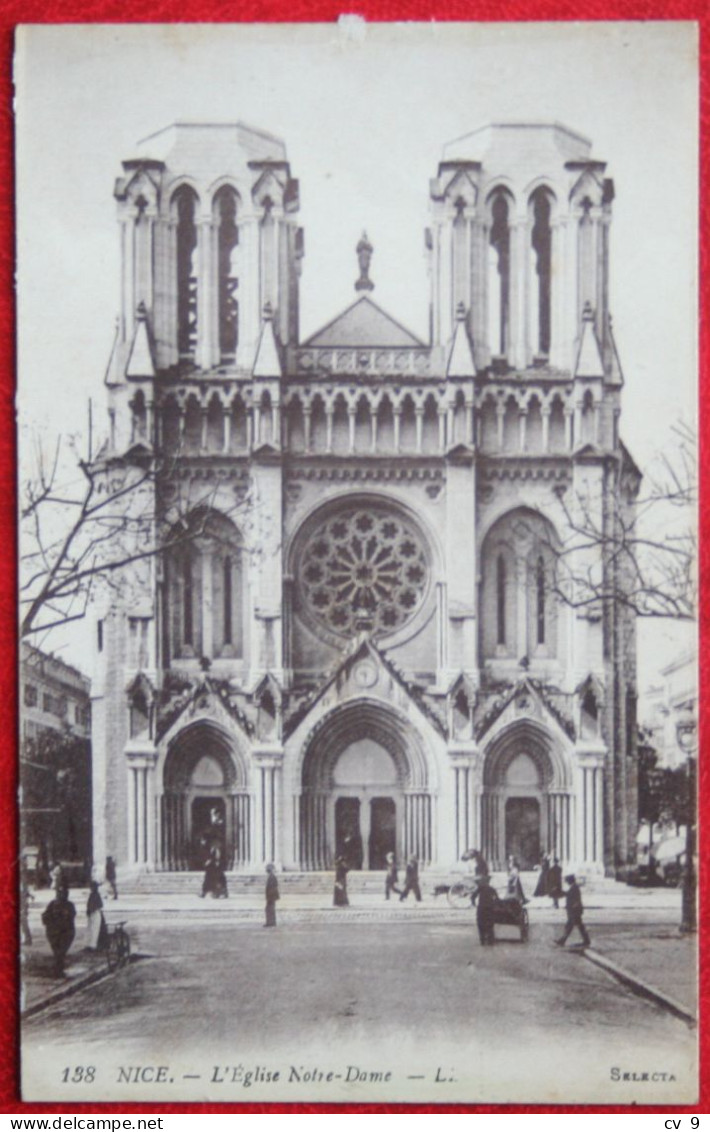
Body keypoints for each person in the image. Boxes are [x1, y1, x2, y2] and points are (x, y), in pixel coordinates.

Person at [42, 886, 76, 977]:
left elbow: (71, 917)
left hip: (65, 933)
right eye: (59, 894)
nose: (61, 896)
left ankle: (58, 969)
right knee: (58, 952)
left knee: (60, 952)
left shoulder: (69, 905)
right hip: (54, 933)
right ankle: (58, 969)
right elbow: (45, 916)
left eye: (63, 894)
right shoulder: (52, 904)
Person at [555, 874, 591, 948]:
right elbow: (568, 895)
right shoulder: (574, 887)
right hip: (575, 911)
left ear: (570, 881)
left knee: (571, 926)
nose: (566, 882)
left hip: (575, 911)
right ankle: (586, 940)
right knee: (578, 926)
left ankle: (562, 941)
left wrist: (574, 907)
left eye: (567, 881)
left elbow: (576, 899)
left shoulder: (574, 887)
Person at [472, 875, 498, 945]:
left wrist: (473, 903)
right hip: (490, 908)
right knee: (490, 924)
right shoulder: (492, 889)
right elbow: (497, 899)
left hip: (481, 908)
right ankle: (490, 940)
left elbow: (473, 896)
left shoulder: (480, 889)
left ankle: (482, 940)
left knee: (480, 924)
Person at [86, 880, 108, 950]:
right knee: (91, 929)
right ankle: (91, 944)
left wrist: (93, 908)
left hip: (95, 913)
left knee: (95, 929)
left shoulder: (96, 895)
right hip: (92, 913)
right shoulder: (92, 895)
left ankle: (93, 945)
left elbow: (100, 905)